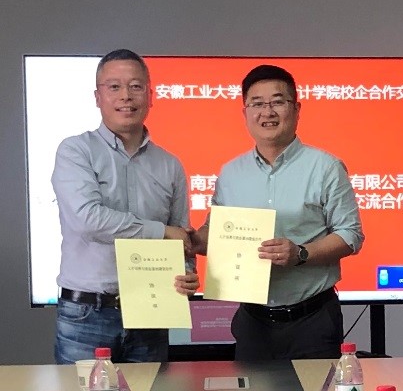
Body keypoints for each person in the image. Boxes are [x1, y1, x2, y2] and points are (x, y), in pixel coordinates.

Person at [194, 63, 364, 361]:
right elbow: (217, 234)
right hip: (253, 321)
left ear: (296, 109)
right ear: (245, 113)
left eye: (277, 102)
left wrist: (301, 253)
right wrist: (190, 240)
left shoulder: (325, 167)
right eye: (257, 104)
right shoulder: (231, 173)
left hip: (312, 319)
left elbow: (351, 235)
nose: (267, 112)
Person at [51, 49, 196, 364]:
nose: (126, 96)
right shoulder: (76, 151)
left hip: (151, 313)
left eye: (136, 86)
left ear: (150, 96)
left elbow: (180, 235)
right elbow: (88, 220)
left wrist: (187, 273)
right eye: (114, 87)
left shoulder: (170, 164)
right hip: (87, 315)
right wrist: (160, 232)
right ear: (97, 97)